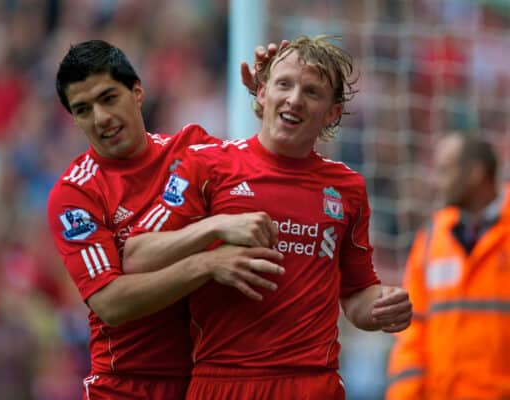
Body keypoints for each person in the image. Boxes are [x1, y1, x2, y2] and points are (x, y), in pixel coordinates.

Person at [124, 34, 413, 399]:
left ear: (332, 113)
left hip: (311, 384)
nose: (294, 98)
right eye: (284, 84)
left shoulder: (347, 187)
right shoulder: (208, 166)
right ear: (262, 93)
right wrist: (215, 228)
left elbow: (356, 296)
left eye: (312, 92)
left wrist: (382, 306)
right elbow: (134, 256)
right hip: (222, 381)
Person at [47, 39, 286, 399]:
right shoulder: (76, 195)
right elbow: (111, 303)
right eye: (83, 110)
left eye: (109, 98)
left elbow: (269, 180)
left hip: (209, 383)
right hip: (126, 388)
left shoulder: (191, 149)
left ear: (137, 92)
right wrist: (207, 262)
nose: (100, 119)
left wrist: (273, 104)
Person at [386, 133, 510, 400]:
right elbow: (413, 328)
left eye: (445, 170)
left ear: (476, 173)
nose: (435, 181)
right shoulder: (431, 239)